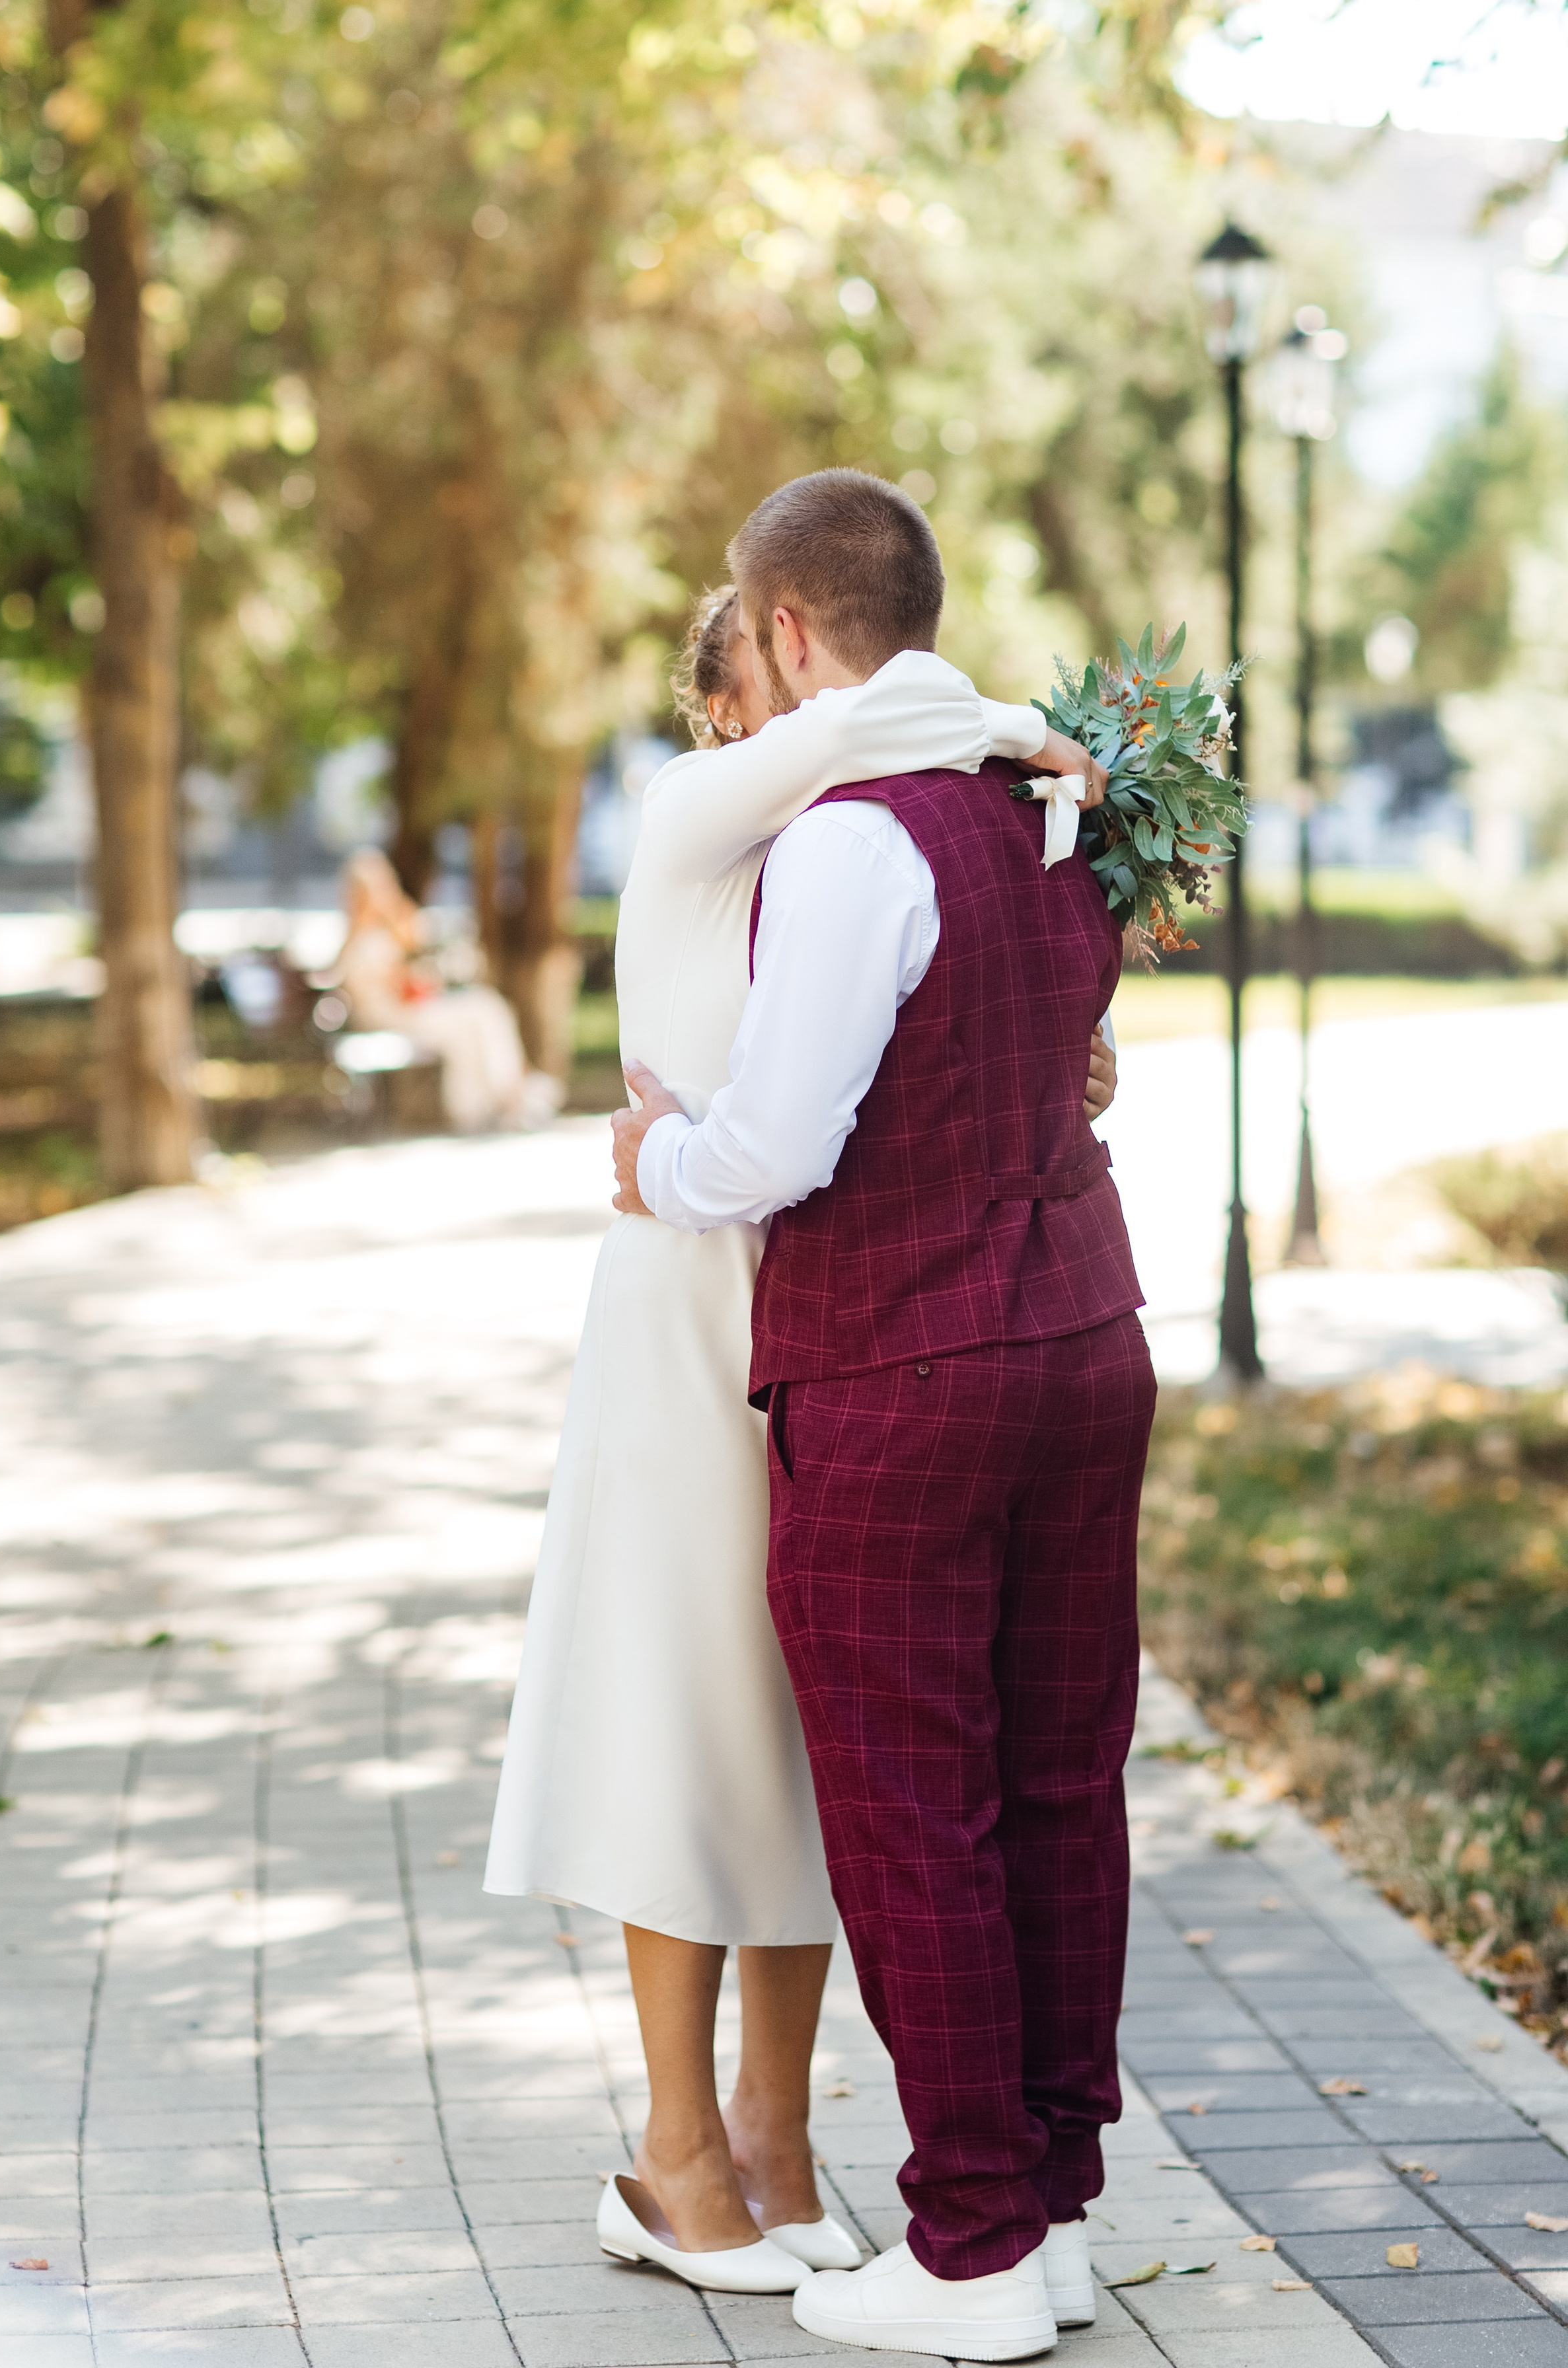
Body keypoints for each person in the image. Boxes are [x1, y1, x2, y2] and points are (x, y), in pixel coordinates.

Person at [486, 575, 1115, 2299]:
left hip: (853, 1321)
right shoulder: (699, 813)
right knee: (684, 1724)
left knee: (813, 1749)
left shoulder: (865, 843)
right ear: (738, 695)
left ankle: (775, 2135)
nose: (760, 743)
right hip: (693, 1317)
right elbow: (887, 709)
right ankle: (674, 2153)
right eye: (746, 719)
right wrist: (1029, 736)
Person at [612, 468, 1154, 2361]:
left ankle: (976, 2249)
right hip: (1090, 1336)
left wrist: (657, 1156)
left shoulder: (853, 840)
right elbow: (1057, 1055)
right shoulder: (1055, 795)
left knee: (912, 1808)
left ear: (776, 633)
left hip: (908, 1369)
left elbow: (778, 1144)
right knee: (1056, 1786)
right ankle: (1056, 2215)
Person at [334, 848, 560, 1130]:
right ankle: (499, 1100)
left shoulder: (390, 927)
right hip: (391, 1016)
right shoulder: (363, 940)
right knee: (475, 1016)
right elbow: (396, 988)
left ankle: (497, 1099)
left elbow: (418, 955)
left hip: (409, 1010)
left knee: (484, 1008)